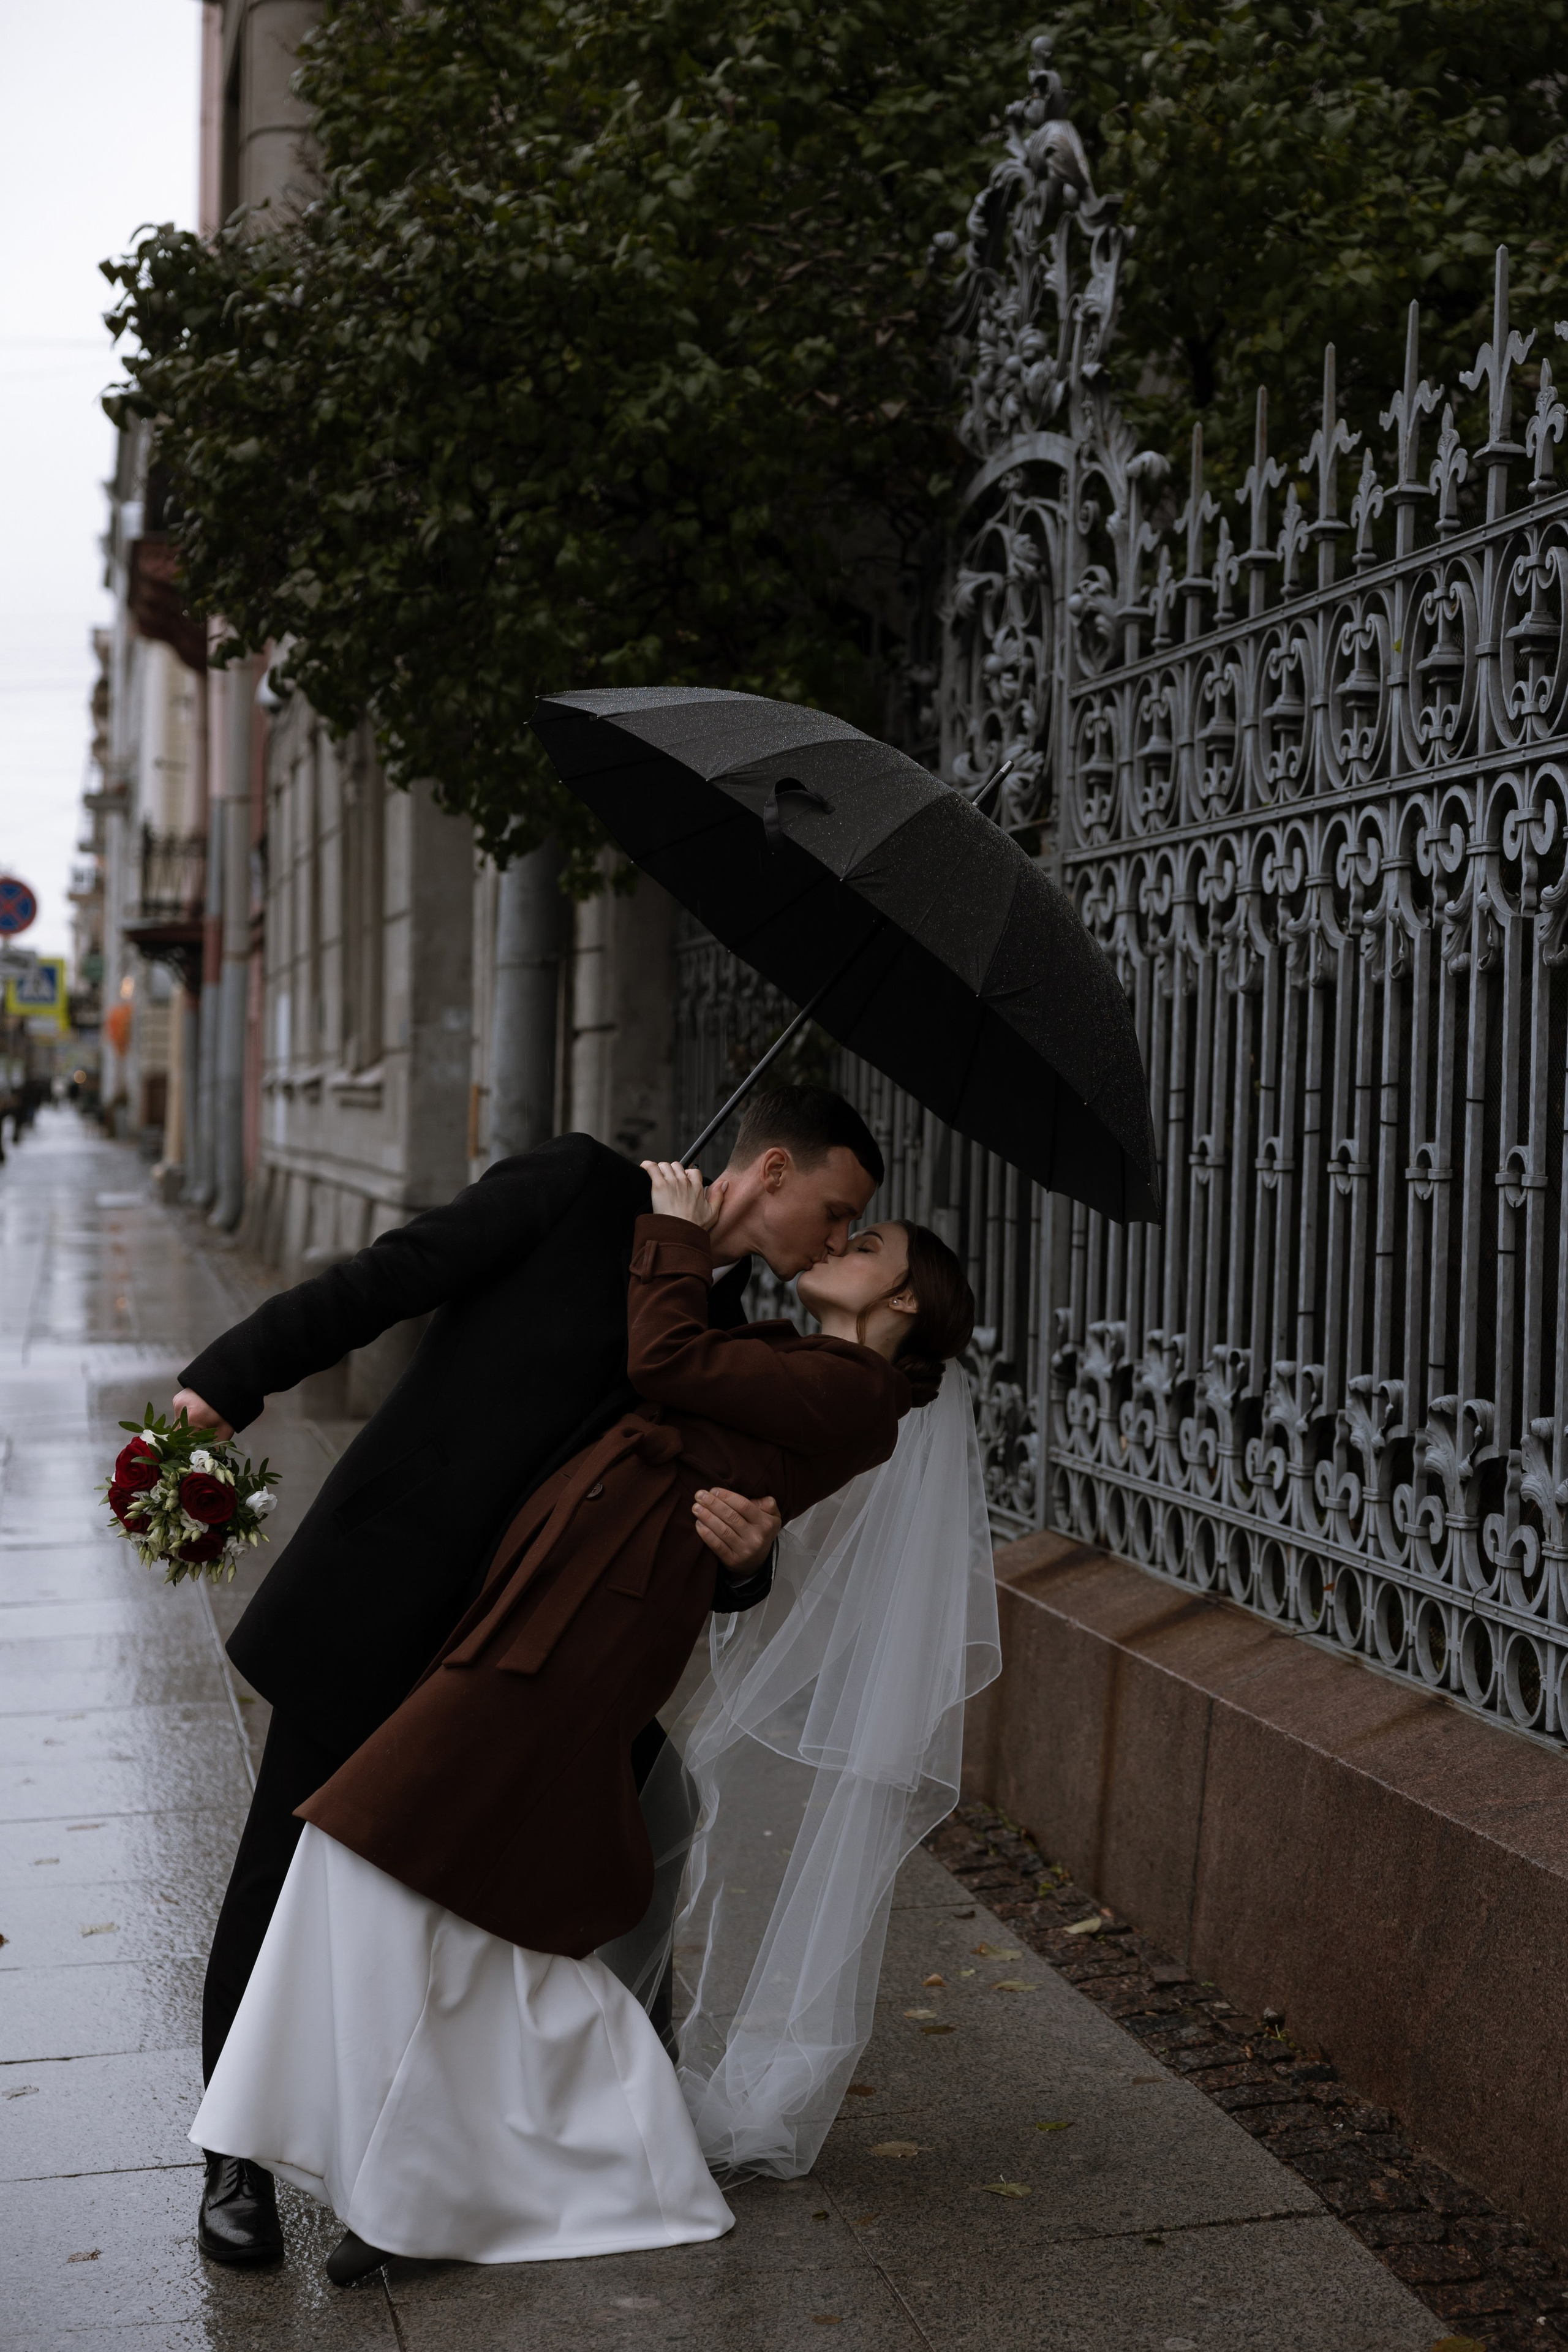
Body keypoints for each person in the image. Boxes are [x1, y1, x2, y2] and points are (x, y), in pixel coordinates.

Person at [190, 1162, 976, 2281]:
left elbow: (717, 1480)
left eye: (861, 1233)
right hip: (404, 1589)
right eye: (840, 1213)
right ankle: (237, 2165)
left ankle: (551, 2144)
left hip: (551, 1638)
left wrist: (748, 1567)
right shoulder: (581, 1191)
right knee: (303, 1865)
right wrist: (233, 1377)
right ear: (774, 1171)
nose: (836, 1237)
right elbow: (388, 1278)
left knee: (526, 1887)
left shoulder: (749, 1328)